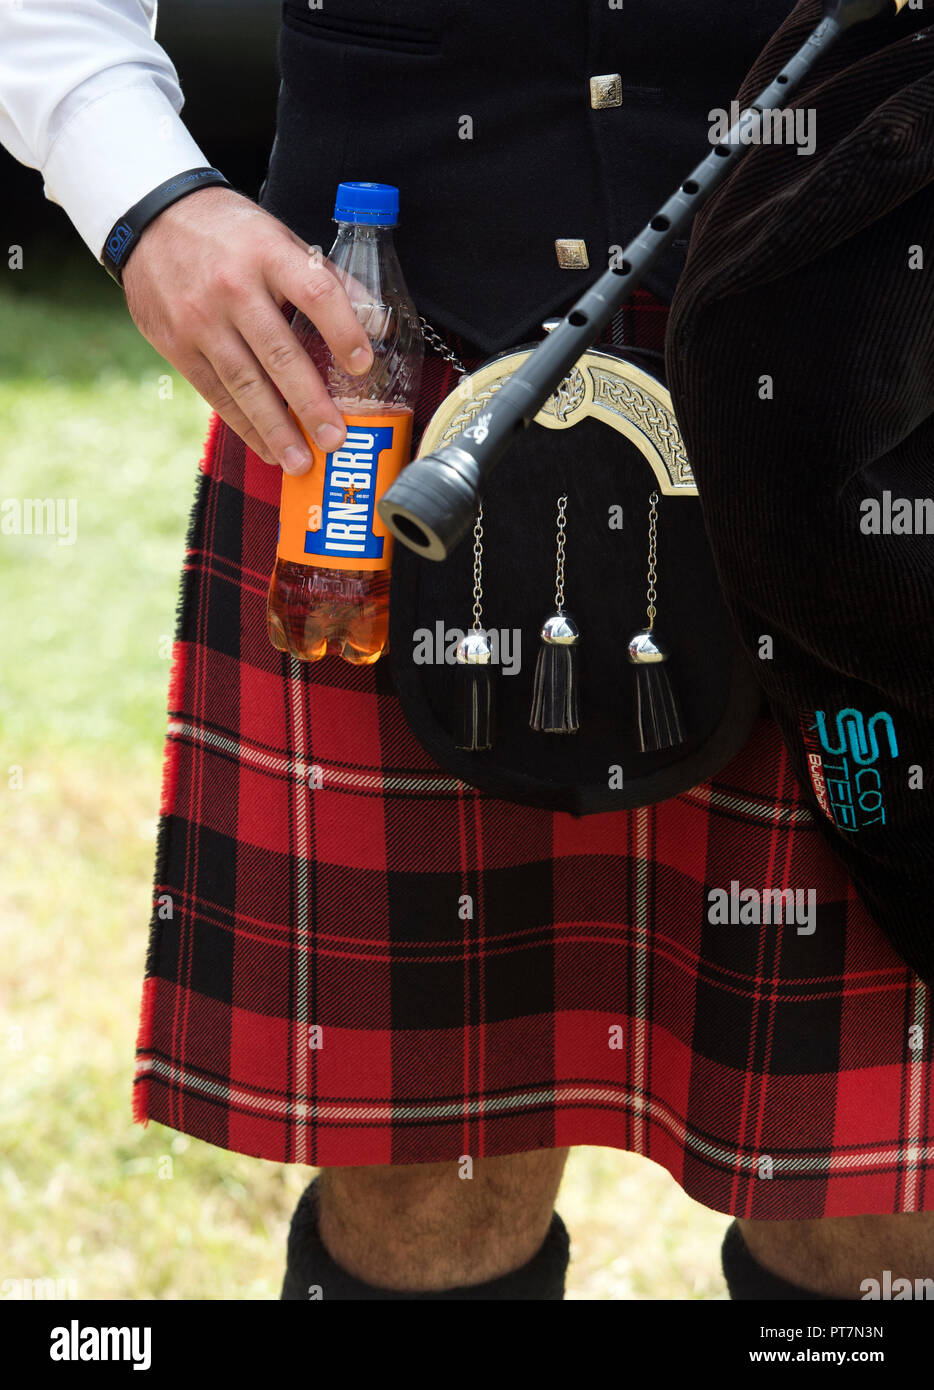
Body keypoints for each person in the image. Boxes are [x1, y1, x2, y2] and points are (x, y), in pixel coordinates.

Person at [2, 0, 932, 1301]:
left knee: (876, 1189)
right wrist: (149, 197)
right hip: (385, 376)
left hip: (849, 395)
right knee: (421, 1176)